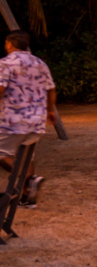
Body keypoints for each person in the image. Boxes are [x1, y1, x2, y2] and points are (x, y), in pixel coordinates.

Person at [0, 31, 56, 208]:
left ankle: (30, 179)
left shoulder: (5, 63)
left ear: (9, 44)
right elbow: (50, 89)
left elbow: (1, 87)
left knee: (2, 154)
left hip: (13, 119)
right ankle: (27, 198)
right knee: (26, 157)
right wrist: (50, 111)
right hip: (36, 119)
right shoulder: (39, 63)